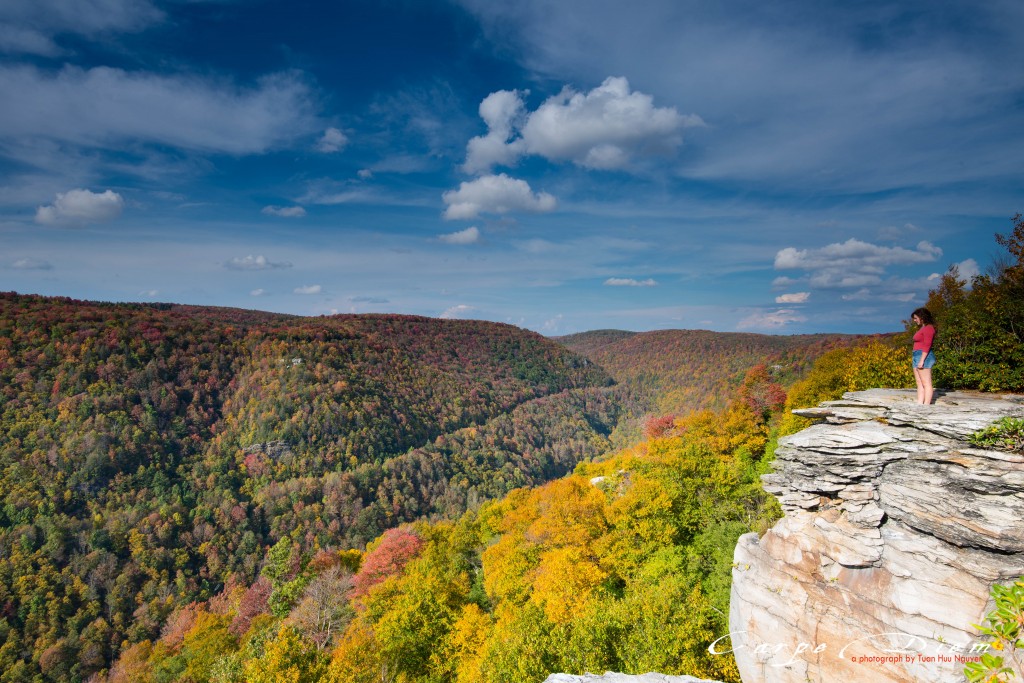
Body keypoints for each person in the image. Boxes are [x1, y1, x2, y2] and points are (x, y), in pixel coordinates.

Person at [911, 307, 936, 404]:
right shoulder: (923, 328)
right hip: (916, 355)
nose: (914, 320)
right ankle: (920, 403)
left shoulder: (929, 328)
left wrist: (922, 360)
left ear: (922, 317)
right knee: (919, 383)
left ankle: (926, 404)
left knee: (926, 383)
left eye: (916, 318)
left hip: (923, 355)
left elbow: (927, 345)